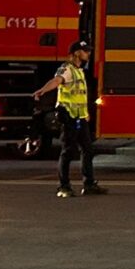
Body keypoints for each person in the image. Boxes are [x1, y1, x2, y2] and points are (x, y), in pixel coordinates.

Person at [33, 41, 105, 198]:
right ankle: (63, 187)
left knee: (87, 150)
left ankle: (89, 184)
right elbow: (57, 81)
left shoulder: (79, 71)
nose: (88, 54)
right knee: (67, 152)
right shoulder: (67, 69)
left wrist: (86, 114)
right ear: (77, 53)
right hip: (69, 117)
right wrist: (44, 90)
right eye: (85, 51)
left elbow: (80, 95)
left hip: (80, 117)